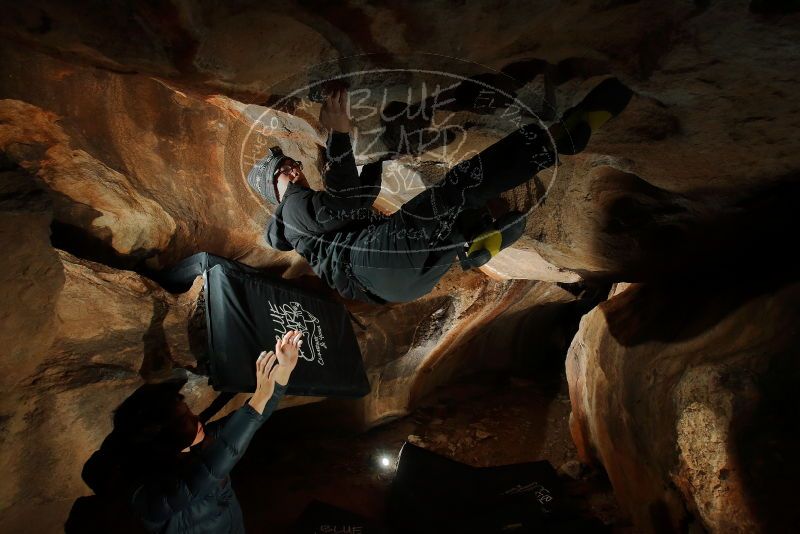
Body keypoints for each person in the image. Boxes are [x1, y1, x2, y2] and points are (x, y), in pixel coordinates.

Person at [248, 79, 632, 304]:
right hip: (374, 260)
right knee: (459, 186)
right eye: (284, 168)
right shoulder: (292, 210)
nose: (294, 169)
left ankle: (469, 243)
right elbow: (346, 199)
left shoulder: (306, 228)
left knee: (447, 213)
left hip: (398, 285)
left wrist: (385, 154)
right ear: (274, 183)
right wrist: (338, 134)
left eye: (292, 164)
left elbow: (359, 199)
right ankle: (553, 140)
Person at [126, 330, 304, 534]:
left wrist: (284, 369)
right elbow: (208, 473)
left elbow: (255, 417)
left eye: (189, 413)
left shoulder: (203, 439)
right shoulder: (147, 495)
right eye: (184, 420)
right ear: (161, 434)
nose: (196, 418)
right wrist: (258, 398)